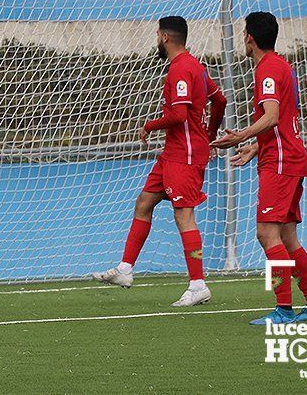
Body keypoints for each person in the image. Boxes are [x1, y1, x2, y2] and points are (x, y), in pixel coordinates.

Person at [93, 16, 226, 307]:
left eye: (157, 35)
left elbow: (178, 116)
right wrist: (210, 134)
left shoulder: (181, 70)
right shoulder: (197, 67)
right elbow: (221, 100)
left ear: (165, 37)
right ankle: (126, 269)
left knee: (184, 216)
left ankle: (198, 284)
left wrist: (149, 125)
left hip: (185, 156)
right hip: (173, 154)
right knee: (144, 202)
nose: (157, 39)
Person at [212, 11, 307, 325]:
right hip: (286, 157)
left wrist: (242, 134)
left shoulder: (266, 70)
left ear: (250, 36)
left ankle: (284, 309)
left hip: (280, 162)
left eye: (243, 32)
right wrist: (254, 146)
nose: (243, 37)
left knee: (266, 234)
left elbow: (273, 116)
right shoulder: (282, 66)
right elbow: (284, 121)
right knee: (288, 236)